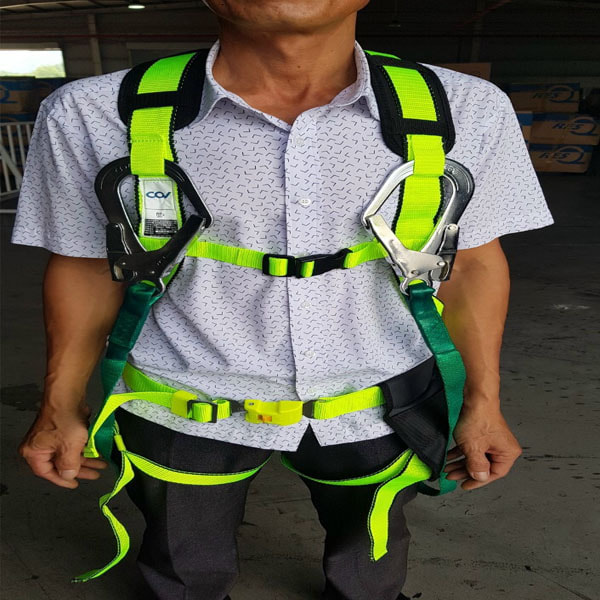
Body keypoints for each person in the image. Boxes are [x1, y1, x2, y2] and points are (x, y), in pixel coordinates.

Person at [14, 1, 554, 599]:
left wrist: (483, 402)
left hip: (380, 397)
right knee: (182, 566)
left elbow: (472, 263)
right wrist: (59, 404)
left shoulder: (465, 108)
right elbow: (87, 266)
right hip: (181, 397)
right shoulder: (94, 112)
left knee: (370, 564)